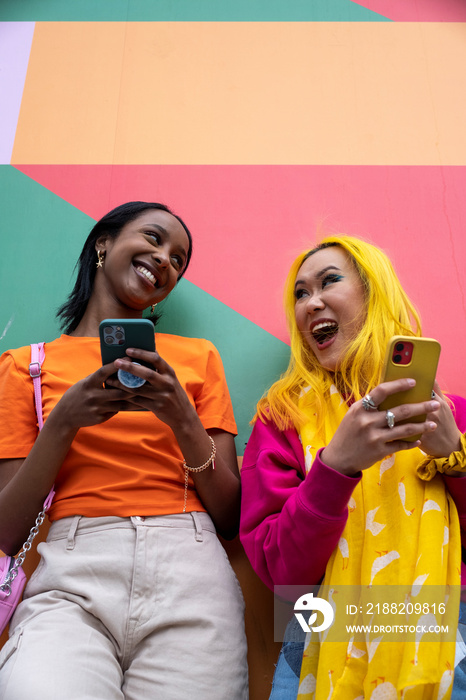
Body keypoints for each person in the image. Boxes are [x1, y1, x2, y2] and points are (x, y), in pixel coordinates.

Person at [0, 201, 248, 700]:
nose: (165, 260)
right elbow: (6, 532)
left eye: (178, 260)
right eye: (154, 239)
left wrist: (180, 415)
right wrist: (65, 420)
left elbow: (229, 513)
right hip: (72, 574)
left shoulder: (198, 359)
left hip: (192, 570)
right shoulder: (23, 367)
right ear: (103, 242)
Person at [239, 235, 466, 699]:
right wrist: (335, 468)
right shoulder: (281, 421)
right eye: (300, 294)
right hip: (318, 639)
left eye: (328, 282)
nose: (311, 302)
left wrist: (455, 461)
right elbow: (283, 574)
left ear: (374, 292)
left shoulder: (451, 415)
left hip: (448, 635)